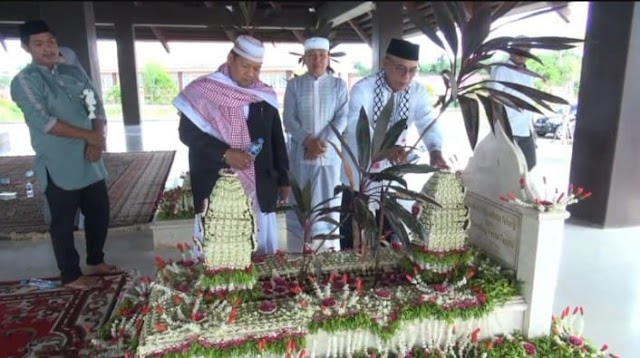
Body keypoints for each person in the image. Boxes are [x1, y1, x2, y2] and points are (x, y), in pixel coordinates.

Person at [10, 20, 118, 290]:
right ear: (26, 47)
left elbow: (95, 102)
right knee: (63, 220)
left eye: (50, 41)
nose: (47, 48)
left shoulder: (71, 71)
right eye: (39, 43)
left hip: (90, 156)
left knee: (99, 212)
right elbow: (44, 122)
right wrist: (89, 136)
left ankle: (95, 261)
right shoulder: (25, 81)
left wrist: (98, 138)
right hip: (59, 160)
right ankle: (70, 274)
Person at [174, 35, 290, 254]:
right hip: (215, 184)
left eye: (257, 69)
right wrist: (225, 153)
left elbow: (276, 139)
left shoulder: (264, 95)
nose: (251, 74)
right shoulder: (202, 91)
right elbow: (187, 133)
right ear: (230, 59)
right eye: (245, 66)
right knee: (218, 255)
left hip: (259, 186)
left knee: (260, 254)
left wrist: (284, 179)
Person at [339, 38, 448, 250]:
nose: (406, 77)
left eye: (412, 71)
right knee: (354, 240)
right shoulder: (364, 88)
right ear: (385, 62)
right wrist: (383, 147)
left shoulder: (417, 92)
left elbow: (427, 120)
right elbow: (354, 123)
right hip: (359, 177)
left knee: (387, 238)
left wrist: (435, 150)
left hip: (391, 180)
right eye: (400, 69)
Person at [282, 37, 348, 253]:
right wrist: (307, 141)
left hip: (328, 157)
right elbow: (289, 119)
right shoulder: (294, 85)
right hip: (301, 157)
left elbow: (342, 117)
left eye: (321, 55)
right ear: (305, 58)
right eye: (312, 55)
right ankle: (299, 253)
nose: (317, 59)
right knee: (302, 203)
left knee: (329, 203)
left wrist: (320, 143)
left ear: (328, 58)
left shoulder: (339, 85)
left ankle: (328, 251)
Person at [489, 37, 537, 171]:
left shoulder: (530, 74)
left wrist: (532, 129)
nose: (522, 54)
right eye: (519, 50)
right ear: (511, 51)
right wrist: (498, 130)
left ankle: (517, 192)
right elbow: (493, 99)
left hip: (525, 130)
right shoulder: (502, 70)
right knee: (509, 169)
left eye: (526, 51)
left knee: (529, 164)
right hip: (508, 130)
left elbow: (529, 103)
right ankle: (508, 192)